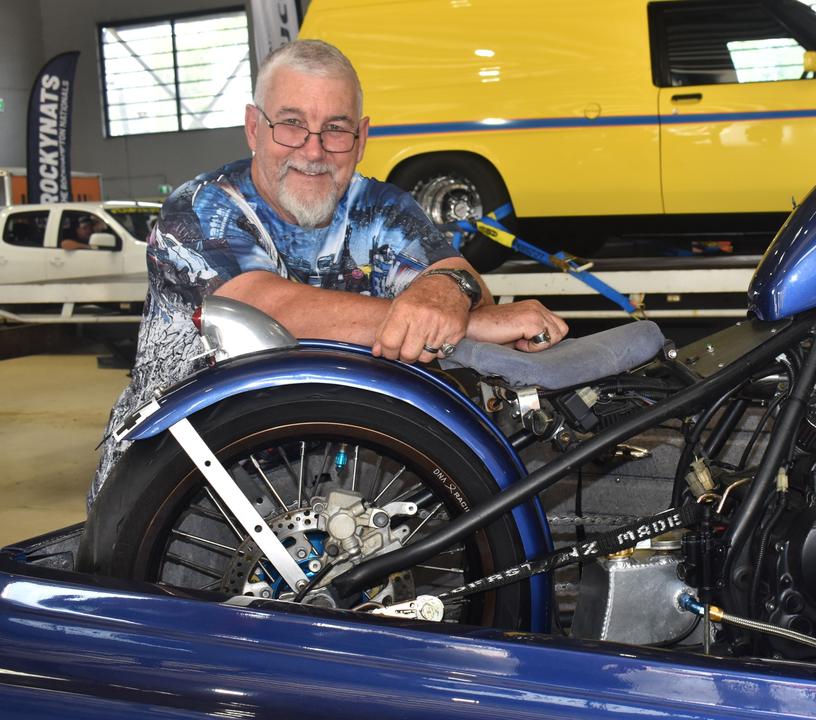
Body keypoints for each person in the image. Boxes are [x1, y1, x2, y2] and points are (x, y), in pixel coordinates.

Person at [89, 39, 568, 504]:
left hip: (334, 481)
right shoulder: (200, 210)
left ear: (361, 138)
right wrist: (468, 321)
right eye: (292, 125)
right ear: (254, 127)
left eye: (335, 130)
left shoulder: (381, 208)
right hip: (180, 487)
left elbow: (461, 281)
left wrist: (449, 292)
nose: (314, 151)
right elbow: (266, 309)